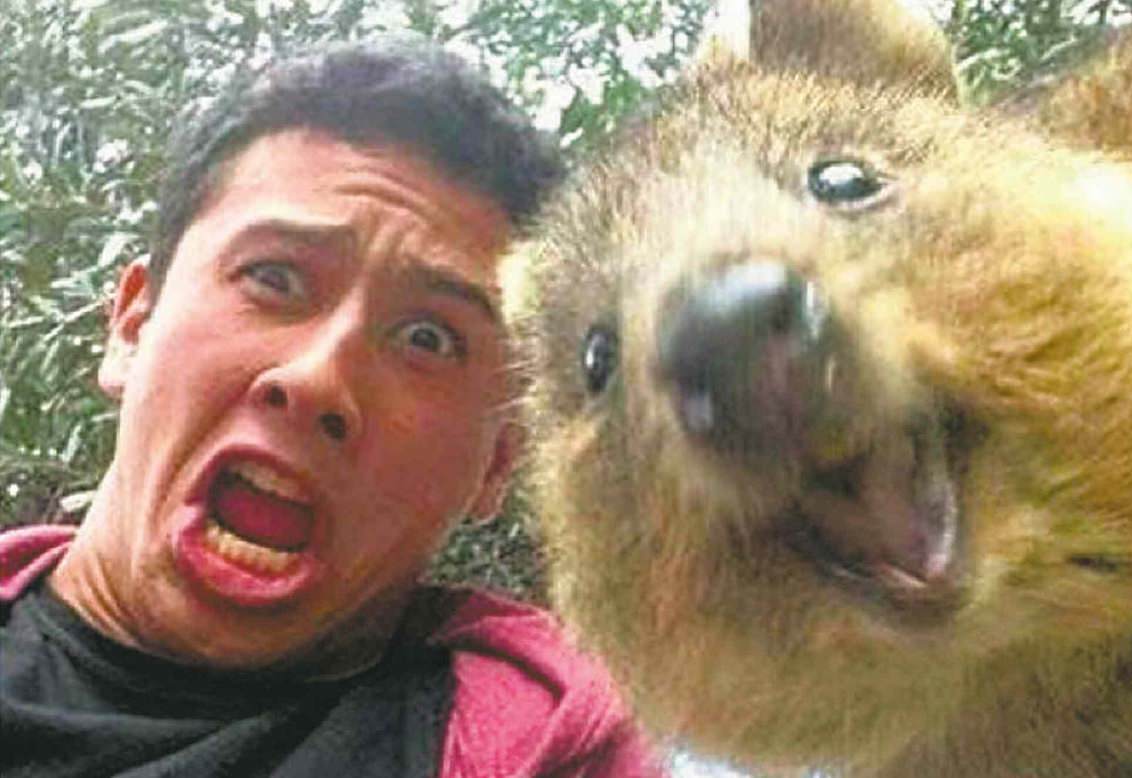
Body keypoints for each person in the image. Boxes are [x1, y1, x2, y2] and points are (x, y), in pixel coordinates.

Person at [0, 36, 666, 777]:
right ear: (132, 326)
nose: (320, 379)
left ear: (498, 464)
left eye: (429, 338)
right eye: (274, 278)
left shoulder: (569, 752)